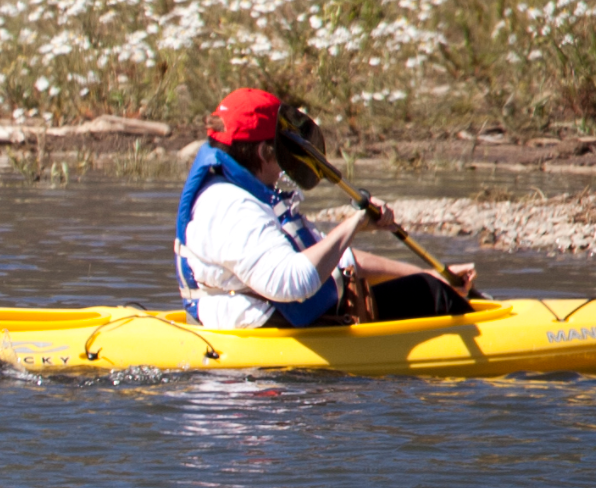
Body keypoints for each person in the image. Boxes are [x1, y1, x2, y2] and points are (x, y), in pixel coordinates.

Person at [174, 88, 476, 328]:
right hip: (261, 342)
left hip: (279, 318)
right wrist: (353, 223)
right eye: (281, 150)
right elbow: (293, 283)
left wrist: (430, 274)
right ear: (263, 152)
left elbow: (331, 257)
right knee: (429, 297)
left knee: (427, 287)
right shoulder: (233, 208)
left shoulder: (244, 192)